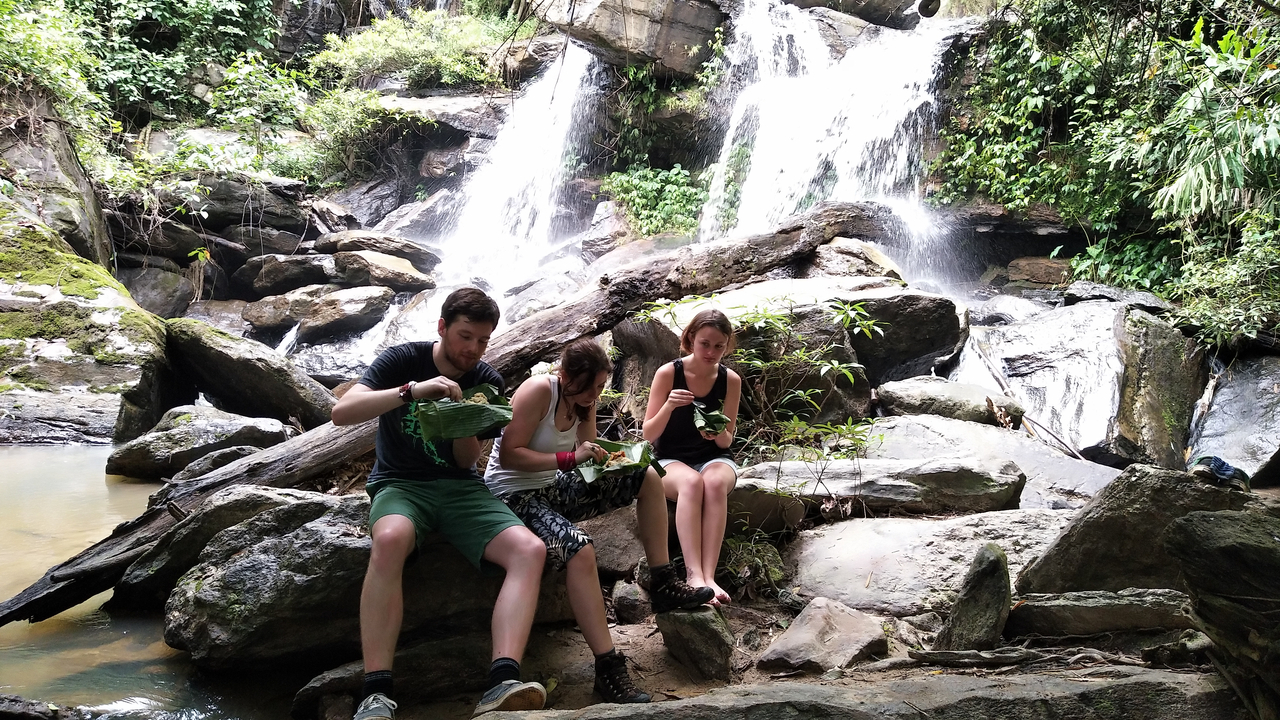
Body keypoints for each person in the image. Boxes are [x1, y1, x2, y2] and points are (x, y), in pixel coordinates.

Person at [331, 288, 549, 720]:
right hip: (400, 482)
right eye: (466, 337)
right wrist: (412, 391)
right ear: (443, 327)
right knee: (391, 537)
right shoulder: (402, 360)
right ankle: (376, 692)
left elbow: (468, 460)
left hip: (460, 488)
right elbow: (342, 412)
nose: (473, 349)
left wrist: (464, 417)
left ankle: (502, 680)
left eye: (483, 340)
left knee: (531, 549)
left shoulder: (487, 380)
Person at [484, 338, 715, 704]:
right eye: (590, 386)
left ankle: (663, 582)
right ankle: (608, 668)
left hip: (554, 486)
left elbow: (587, 449)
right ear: (565, 376)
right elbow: (511, 456)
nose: (596, 394)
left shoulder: (583, 401)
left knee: (648, 475)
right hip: (513, 496)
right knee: (579, 548)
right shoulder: (537, 391)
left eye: (601, 387)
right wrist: (569, 459)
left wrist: (619, 456)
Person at [642, 309, 742, 606]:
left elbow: (728, 438)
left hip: (715, 457)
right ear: (690, 340)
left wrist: (716, 433)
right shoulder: (669, 373)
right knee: (691, 484)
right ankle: (693, 575)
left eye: (718, 346)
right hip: (670, 459)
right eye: (704, 343)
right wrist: (670, 406)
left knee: (711, 483)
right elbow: (648, 433)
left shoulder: (730, 380)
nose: (711, 352)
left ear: (727, 346)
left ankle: (709, 577)